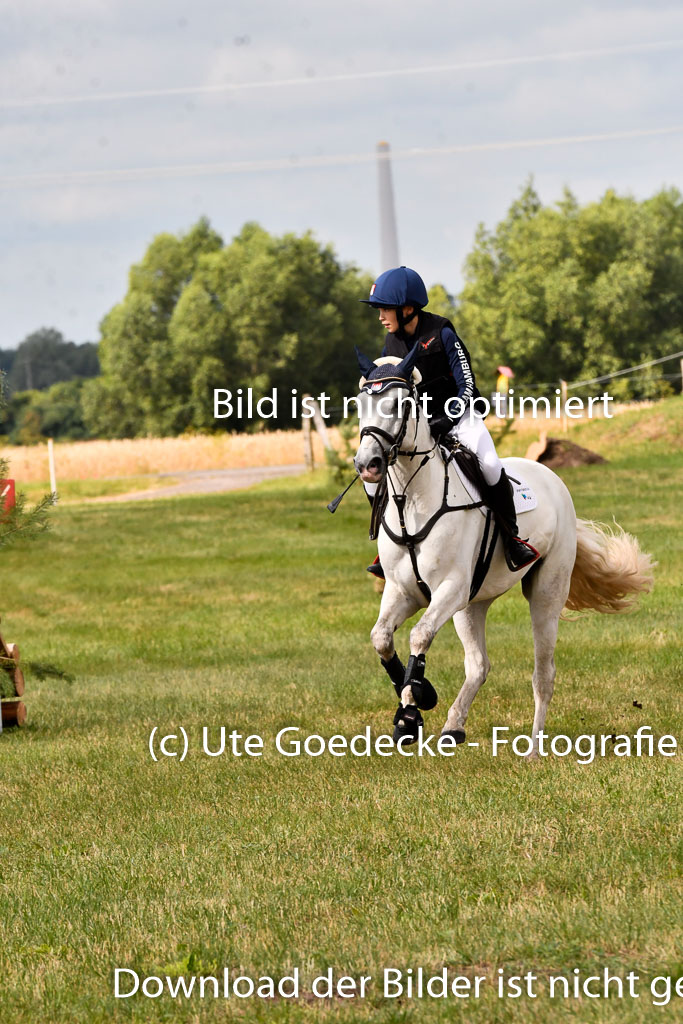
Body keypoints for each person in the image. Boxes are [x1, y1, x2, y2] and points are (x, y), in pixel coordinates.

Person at [359, 265, 539, 577]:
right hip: (418, 427)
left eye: (385, 309)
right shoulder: (390, 346)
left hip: (459, 417)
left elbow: (467, 385)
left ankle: (512, 539)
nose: (380, 317)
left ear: (407, 308)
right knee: (378, 474)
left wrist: (448, 417)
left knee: (491, 465)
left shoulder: (442, 334)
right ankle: (386, 547)